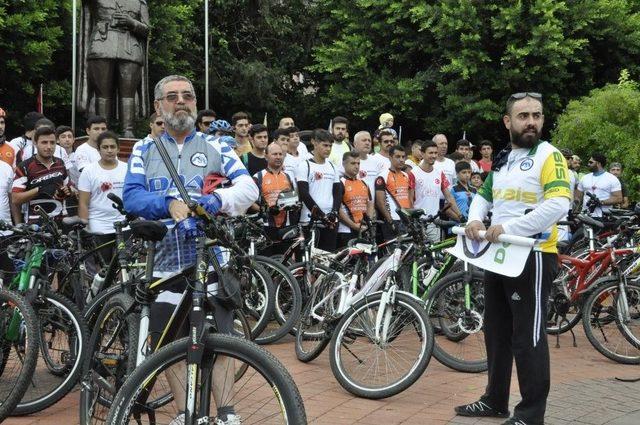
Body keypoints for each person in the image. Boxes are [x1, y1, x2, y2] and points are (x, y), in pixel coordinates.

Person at [123, 75, 257, 425]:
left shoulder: (218, 146)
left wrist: (217, 200)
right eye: (171, 97)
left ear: (195, 103)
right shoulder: (144, 148)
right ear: (158, 106)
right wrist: (167, 203)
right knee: (170, 342)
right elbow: (132, 196)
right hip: (165, 261)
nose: (180, 102)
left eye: (187, 96)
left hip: (211, 256)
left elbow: (248, 188)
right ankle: (184, 413)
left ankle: (226, 412)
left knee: (222, 337)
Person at [457, 92, 571, 425]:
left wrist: (509, 227)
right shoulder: (505, 158)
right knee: (496, 331)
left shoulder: (549, 155)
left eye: (537, 115)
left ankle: (531, 414)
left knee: (527, 337)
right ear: (508, 122)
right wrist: (475, 219)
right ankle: (495, 400)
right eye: (523, 116)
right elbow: (483, 195)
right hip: (500, 255)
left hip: (533, 256)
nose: (531, 121)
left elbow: (558, 204)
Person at [77, 131, 127, 263]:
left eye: (112, 147)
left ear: (118, 148)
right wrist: (85, 227)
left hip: (124, 225)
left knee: (125, 267)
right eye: (105, 147)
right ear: (98, 149)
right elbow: (83, 203)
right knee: (104, 268)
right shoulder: (89, 171)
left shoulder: (127, 169)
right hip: (98, 226)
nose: (109, 150)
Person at [12, 126, 73, 223]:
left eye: (52, 143)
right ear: (35, 143)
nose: (49, 147)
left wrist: (67, 190)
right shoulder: (25, 166)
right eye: (44, 142)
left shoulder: (60, 163)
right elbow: (15, 199)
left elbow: (69, 188)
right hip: (36, 225)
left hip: (61, 220)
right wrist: (39, 190)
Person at [295, 129, 341, 251]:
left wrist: (334, 212)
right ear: (314, 143)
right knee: (310, 259)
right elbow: (304, 194)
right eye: (325, 145)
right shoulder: (305, 165)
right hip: (310, 220)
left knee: (327, 258)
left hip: (331, 221)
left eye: (330, 146)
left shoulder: (332, 166)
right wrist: (321, 216)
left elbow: (337, 192)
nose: (328, 149)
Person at [251, 142, 296, 256]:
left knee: (285, 262)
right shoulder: (258, 176)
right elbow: (249, 201)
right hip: (266, 227)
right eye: (274, 154)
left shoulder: (288, 176)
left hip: (286, 226)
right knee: (268, 263)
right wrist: (265, 210)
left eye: (281, 154)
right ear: (266, 156)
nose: (278, 157)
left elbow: (294, 199)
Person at [412, 141, 462, 242]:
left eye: (435, 153)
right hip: (419, 221)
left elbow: (449, 197)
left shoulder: (439, 173)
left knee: (436, 254)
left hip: (434, 220)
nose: (434, 156)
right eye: (430, 153)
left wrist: (459, 215)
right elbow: (409, 200)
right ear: (422, 153)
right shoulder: (413, 173)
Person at [375, 145, 414, 240]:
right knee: (394, 252)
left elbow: (409, 198)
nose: (401, 160)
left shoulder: (406, 175)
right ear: (390, 157)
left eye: (403, 157)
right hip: (393, 219)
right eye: (398, 157)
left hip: (407, 219)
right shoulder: (382, 176)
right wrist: (390, 221)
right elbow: (380, 202)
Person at [338, 151, 374, 248]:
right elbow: (338, 209)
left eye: (358, 163)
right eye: (353, 163)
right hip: (346, 230)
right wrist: (354, 226)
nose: (356, 166)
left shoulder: (363, 183)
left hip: (363, 228)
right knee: (349, 262)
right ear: (344, 164)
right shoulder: (340, 183)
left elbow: (370, 203)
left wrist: (368, 221)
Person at [575, 152, 622, 217]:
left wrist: (601, 202)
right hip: (585, 217)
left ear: (598, 163)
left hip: (604, 217)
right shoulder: (584, 178)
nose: (588, 164)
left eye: (591, 162)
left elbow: (618, 198)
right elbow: (578, 197)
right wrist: (575, 212)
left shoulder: (612, 178)